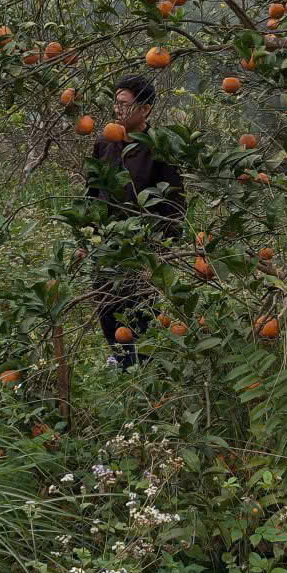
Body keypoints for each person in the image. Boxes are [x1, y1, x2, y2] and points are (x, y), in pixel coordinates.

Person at [85, 75, 185, 369]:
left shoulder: (159, 148)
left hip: (142, 248)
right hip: (106, 245)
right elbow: (92, 193)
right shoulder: (104, 143)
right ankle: (120, 361)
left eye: (124, 104)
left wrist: (161, 248)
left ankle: (143, 368)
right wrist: (87, 235)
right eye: (115, 103)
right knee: (107, 307)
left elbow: (175, 203)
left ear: (146, 109)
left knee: (141, 311)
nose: (117, 109)